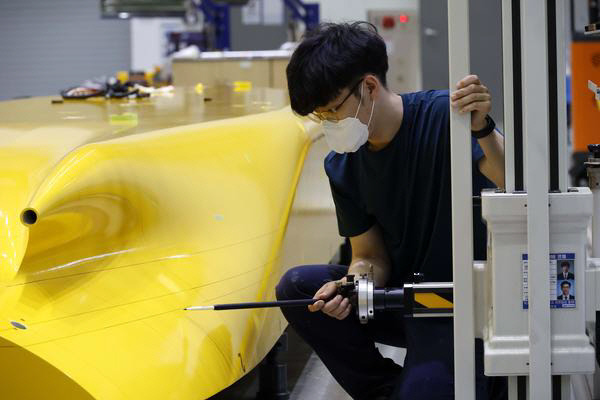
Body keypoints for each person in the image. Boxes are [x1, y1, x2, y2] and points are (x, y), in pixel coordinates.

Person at [276, 22, 505, 399]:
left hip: (459, 302)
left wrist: (483, 130)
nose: (331, 125)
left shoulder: (446, 117)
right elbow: (369, 256)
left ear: (368, 87)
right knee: (298, 288)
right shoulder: (342, 165)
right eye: (321, 117)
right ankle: (384, 390)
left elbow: (512, 181)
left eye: (333, 110)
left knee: (429, 387)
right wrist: (351, 287)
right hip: (400, 297)